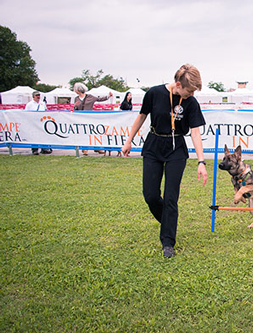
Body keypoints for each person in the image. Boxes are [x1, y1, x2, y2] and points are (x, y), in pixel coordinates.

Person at [121, 64, 208, 258]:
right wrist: (129, 141)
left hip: (176, 149)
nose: (192, 95)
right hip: (153, 145)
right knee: (150, 195)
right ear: (178, 84)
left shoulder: (191, 102)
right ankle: (168, 222)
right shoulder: (154, 93)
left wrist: (201, 162)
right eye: (189, 90)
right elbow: (141, 116)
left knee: (171, 197)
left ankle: (168, 241)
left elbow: (195, 132)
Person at [73, 82, 113, 155]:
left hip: (89, 118)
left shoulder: (90, 97)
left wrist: (108, 96)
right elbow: (75, 109)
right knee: (83, 134)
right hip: (80, 119)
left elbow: (99, 99)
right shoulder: (76, 99)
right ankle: (85, 149)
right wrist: (75, 107)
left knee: (93, 133)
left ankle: (97, 148)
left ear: (78, 90)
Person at [25, 91, 51, 155]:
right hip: (33, 122)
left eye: (39, 95)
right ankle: (35, 150)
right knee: (34, 136)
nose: (38, 96)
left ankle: (44, 148)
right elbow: (25, 113)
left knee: (43, 135)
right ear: (33, 96)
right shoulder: (29, 104)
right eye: (36, 95)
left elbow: (45, 111)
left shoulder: (42, 103)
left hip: (42, 122)